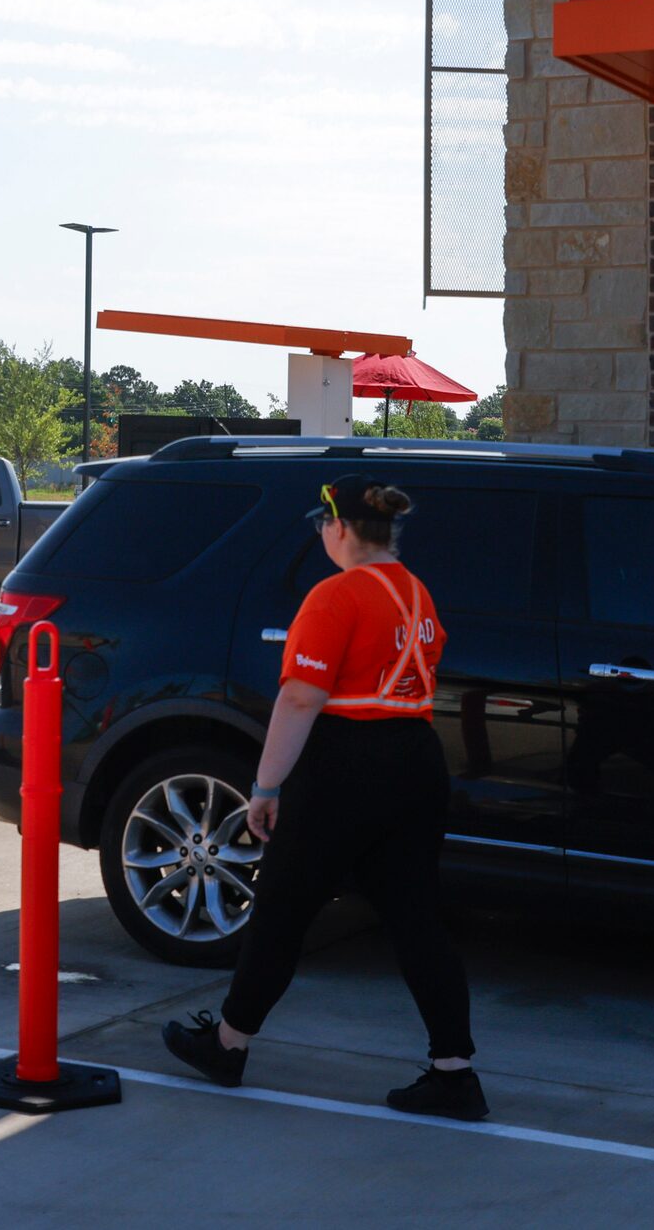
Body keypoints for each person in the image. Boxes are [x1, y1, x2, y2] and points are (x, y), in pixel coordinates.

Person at [162, 476, 485, 1120]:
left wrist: (265, 785)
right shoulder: (416, 592)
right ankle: (455, 1075)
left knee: (282, 910)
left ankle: (228, 1045)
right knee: (418, 921)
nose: (319, 536)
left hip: (346, 763)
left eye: (321, 525)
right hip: (415, 761)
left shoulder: (336, 595)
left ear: (341, 529)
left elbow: (302, 697)